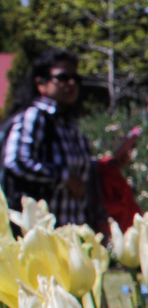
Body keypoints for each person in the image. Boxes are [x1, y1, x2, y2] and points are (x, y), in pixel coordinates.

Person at [1, 48, 104, 229]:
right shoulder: (35, 117)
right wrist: (64, 178)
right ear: (41, 83)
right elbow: (16, 160)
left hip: (72, 231)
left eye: (76, 79)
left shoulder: (69, 125)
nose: (71, 83)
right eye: (62, 78)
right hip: (42, 235)